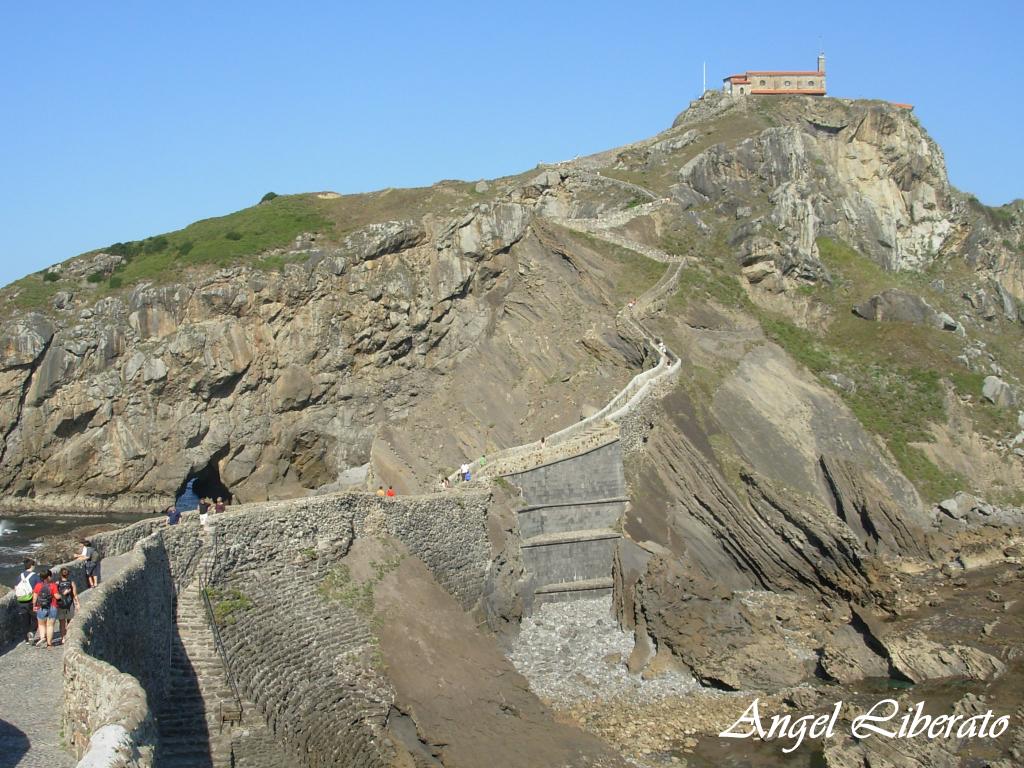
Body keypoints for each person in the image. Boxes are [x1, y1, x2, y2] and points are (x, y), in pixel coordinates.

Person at [13, 558, 39, 644]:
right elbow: (39, 589)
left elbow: (16, 588)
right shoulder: (35, 576)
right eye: (34, 565)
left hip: (21, 601)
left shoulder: (19, 576)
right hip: (32, 602)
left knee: (25, 620)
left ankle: (26, 640)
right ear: (32, 566)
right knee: (36, 618)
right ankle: (32, 632)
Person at [33, 569, 59, 648]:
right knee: (50, 626)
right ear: (48, 577)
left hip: (41, 607)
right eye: (51, 576)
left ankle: (42, 638)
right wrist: (61, 595)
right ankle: (49, 644)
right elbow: (57, 596)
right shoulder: (53, 585)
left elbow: (34, 597)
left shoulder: (38, 585)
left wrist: (34, 606)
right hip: (52, 607)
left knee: (41, 624)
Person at [55, 567, 80, 643]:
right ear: (68, 574)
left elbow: (55, 594)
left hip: (60, 605)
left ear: (60, 574)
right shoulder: (71, 582)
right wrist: (78, 604)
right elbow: (75, 595)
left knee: (62, 623)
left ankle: (63, 638)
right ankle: (69, 636)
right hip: (70, 605)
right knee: (70, 621)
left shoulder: (57, 583)